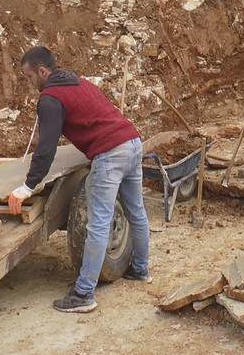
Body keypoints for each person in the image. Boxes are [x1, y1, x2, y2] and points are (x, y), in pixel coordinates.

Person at [9, 46, 151, 313]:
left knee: (98, 223)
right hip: (132, 142)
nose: (30, 84)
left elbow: (46, 148)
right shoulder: (80, 82)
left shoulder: (50, 98)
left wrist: (27, 186)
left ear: (42, 71)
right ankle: (141, 270)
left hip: (110, 154)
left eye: (29, 78)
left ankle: (84, 294)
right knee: (136, 211)